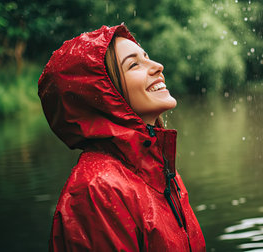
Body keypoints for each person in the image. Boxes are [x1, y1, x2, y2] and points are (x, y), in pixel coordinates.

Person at [38, 24, 206, 251]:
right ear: (102, 94)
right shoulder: (97, 189)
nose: (158, 66)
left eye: (147, 57)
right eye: (134, 64)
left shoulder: (160, 168)